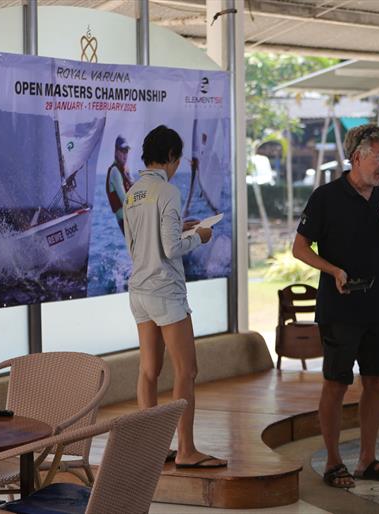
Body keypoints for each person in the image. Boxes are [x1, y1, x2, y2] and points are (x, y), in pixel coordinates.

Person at [292, 124, 379, 488]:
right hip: (341, 306)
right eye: (378, 156)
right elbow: (299, 249)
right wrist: (332, 270)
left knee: (377, 381)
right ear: (356, 157)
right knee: (336, 382)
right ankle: (333, 462)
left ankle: (367, 459)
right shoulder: (326, 197)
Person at [123, 125, 226, 469]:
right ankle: (186, 450)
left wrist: (181, 226)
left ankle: (150, 448)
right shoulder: (167, 191)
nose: (178, 165)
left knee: (149, 370)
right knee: (187, 370)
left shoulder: (134, 191)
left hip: (138, 291)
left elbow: (137, 243)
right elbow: (170, 249)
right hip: (166, 292)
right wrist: (201, 236)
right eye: (178, 159)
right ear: (170, 157)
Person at [107, 135, 135, 234]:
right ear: (116, 152)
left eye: (126, 151)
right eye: (122, 150)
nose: (125, 154)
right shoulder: (115, 171)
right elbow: (124, 199)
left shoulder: (124, 170)